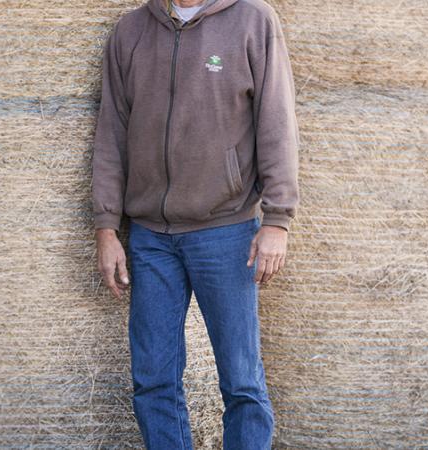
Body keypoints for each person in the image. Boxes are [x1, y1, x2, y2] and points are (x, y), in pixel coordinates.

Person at [90, 0, 300, 448]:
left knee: (242, 383)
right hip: (150, 238)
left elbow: (276, 122)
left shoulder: (253, 20)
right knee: (153, 382)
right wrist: (106, 228)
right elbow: (111, 132)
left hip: (225, 232)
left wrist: (278, 220)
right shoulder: (130, 31)